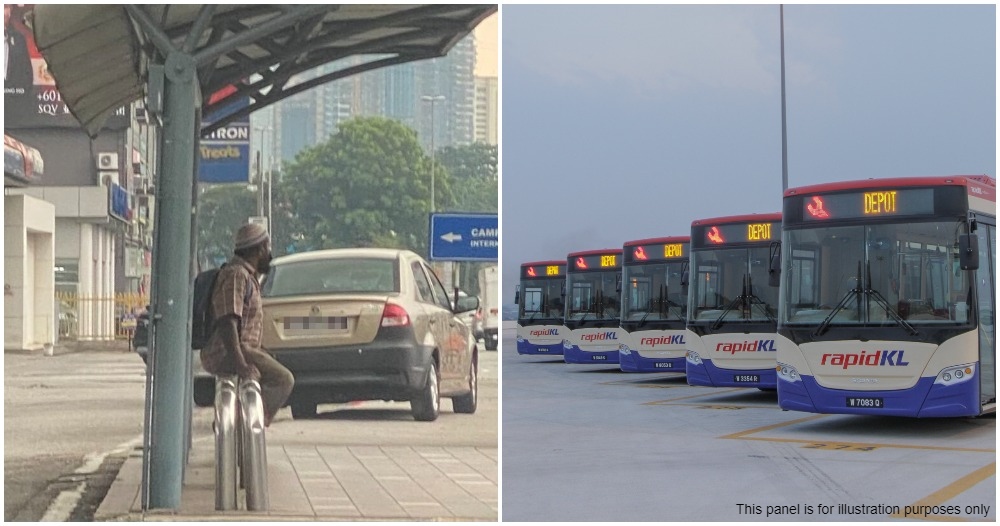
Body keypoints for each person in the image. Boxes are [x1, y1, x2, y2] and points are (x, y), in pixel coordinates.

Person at [200, 223, 294, 427]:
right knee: (283, 379)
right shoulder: (237, 275)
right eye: (267, 248)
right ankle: (250, 425)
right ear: (259, 249)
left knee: (261, 376)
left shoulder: (248, 277)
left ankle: (238, 425)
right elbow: (227, 321)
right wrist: (240, 363)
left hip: (241, 349)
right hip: (226, 351)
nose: (269, 254)